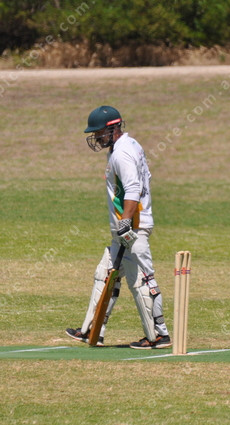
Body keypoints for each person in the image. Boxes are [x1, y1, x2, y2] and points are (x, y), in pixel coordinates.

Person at [65, 105, 171, 349]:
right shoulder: (126, 146)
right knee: (105, 274)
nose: (96, 137)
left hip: (132, 228)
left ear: (113, 129)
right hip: (125, 229)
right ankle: (92, 331)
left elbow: (134, 189)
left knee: (142, 280)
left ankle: (159, 335)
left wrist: (126, 223)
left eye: (99, 132)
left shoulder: (122, 153)